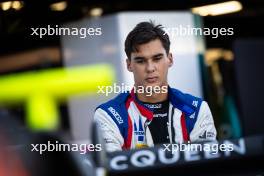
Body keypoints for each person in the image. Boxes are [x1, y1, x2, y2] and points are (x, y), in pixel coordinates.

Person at [94, 21, 217, 152]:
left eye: (157, 58)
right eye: (141, 61)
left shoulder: (196, 109)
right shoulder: (109, 114)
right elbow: (111, 168)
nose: (150, 68)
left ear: (170, 59)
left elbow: (207, 163)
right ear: (129, 64)